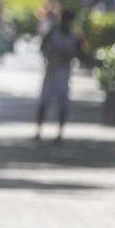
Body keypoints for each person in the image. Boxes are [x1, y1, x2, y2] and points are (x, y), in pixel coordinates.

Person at [35, 10, 81, 143]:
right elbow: (42, 46)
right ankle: (39, 131)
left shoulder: (73, 36)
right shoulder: (53, 33)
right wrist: (51, 56)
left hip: (64, 73)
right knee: (44, 102)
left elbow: (80, 54)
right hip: (51, 71)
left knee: (62, 104)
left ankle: (60, 133)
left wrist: (66, 56)